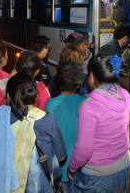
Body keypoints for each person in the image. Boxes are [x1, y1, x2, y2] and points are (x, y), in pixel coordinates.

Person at [0, 73, 66, 193]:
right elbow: (61, 156)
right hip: (39, 187)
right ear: (35, 97)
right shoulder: (46, 119)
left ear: (8, 96)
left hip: (1, 186)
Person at [68, 55, 130, 193]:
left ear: (93, 77)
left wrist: (72, 168)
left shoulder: (89, 106)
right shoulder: (123, 94)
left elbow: (84, 149)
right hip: (124, 166)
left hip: (98, 175)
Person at [45, 62, 86, 192]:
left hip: (60, 168)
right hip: (81, 167)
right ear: (79, 84)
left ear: (58, 82)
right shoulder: (86, 103)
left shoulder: (50, 105)